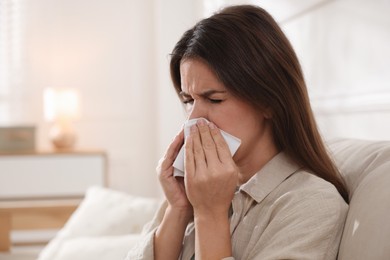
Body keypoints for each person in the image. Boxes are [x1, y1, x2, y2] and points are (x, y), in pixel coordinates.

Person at [126, 4, 348, 260]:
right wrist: (178, 209)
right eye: (188, 100)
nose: (193, 117)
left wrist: (210, 213)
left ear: (268, 101)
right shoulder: (195, 188)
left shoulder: (312, 204)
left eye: (215, 99)